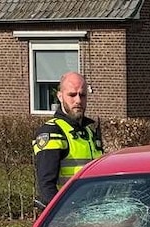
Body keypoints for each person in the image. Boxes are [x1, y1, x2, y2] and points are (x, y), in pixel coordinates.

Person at [33, 72, 105, 208]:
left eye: (82, 95)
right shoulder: (52, 132)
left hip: (92, 211)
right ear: (60, 96)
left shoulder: (90, 131)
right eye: (72, 95)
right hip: (68, 215)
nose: (78, 100)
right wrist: (65, 215)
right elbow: (47, 189)